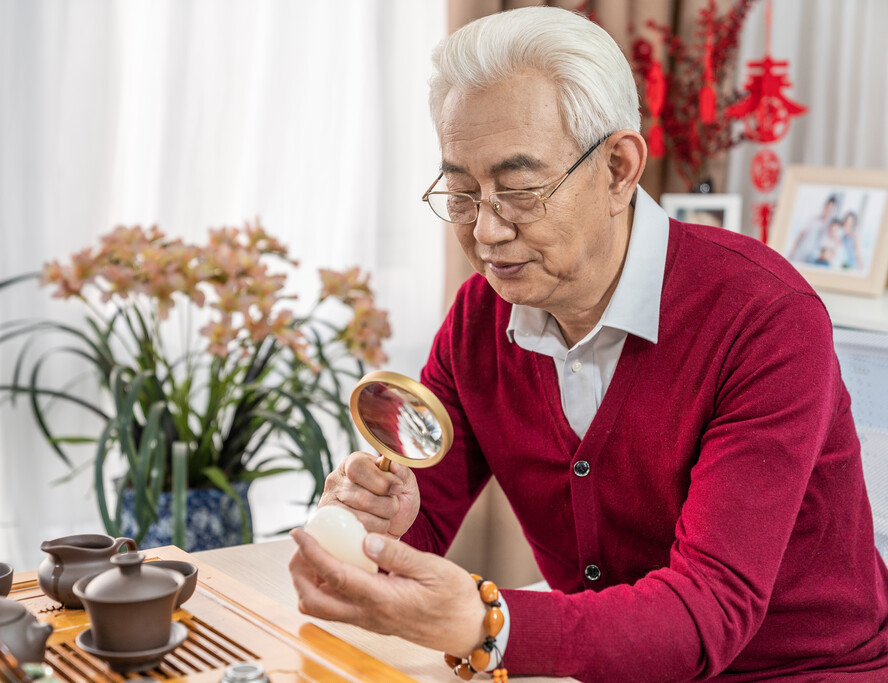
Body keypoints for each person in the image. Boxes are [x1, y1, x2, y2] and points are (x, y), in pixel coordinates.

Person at [288, 7, 888, 682]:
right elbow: (415, 534)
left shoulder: (763, 317)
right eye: (460, 192)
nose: (485, 231)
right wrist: (376, 526)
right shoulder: (479, 319)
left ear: (617, 168)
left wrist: (487, 621)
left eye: (518, 190)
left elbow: (707, 610)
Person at [789, 194, 838, 264]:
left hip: (814, 259)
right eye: (828, 208)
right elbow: (801, 235)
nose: (828, 211)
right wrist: (792, 251)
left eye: (831, 209)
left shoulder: (830, 226)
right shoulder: (813, 219)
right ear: (824, 206)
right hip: (802, 252)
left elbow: (833, 243)